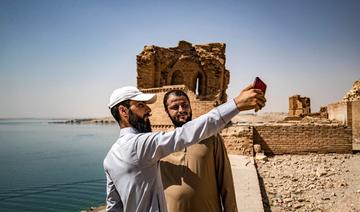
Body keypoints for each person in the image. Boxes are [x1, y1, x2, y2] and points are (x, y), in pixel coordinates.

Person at [103, 84, 266, 212]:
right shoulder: (143, 145)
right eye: (140, 105)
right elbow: (189, 132)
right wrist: (237, 104)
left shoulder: (110, 158)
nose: (149, 109)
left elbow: (114, 207)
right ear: (123, 111)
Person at [160, 89, 237, 212]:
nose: (181, 110)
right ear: (167, 111)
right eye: (175, 107)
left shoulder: (211, 138)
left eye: (185, 105)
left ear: (190, 107)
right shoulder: (161, 144)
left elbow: (226, 181)